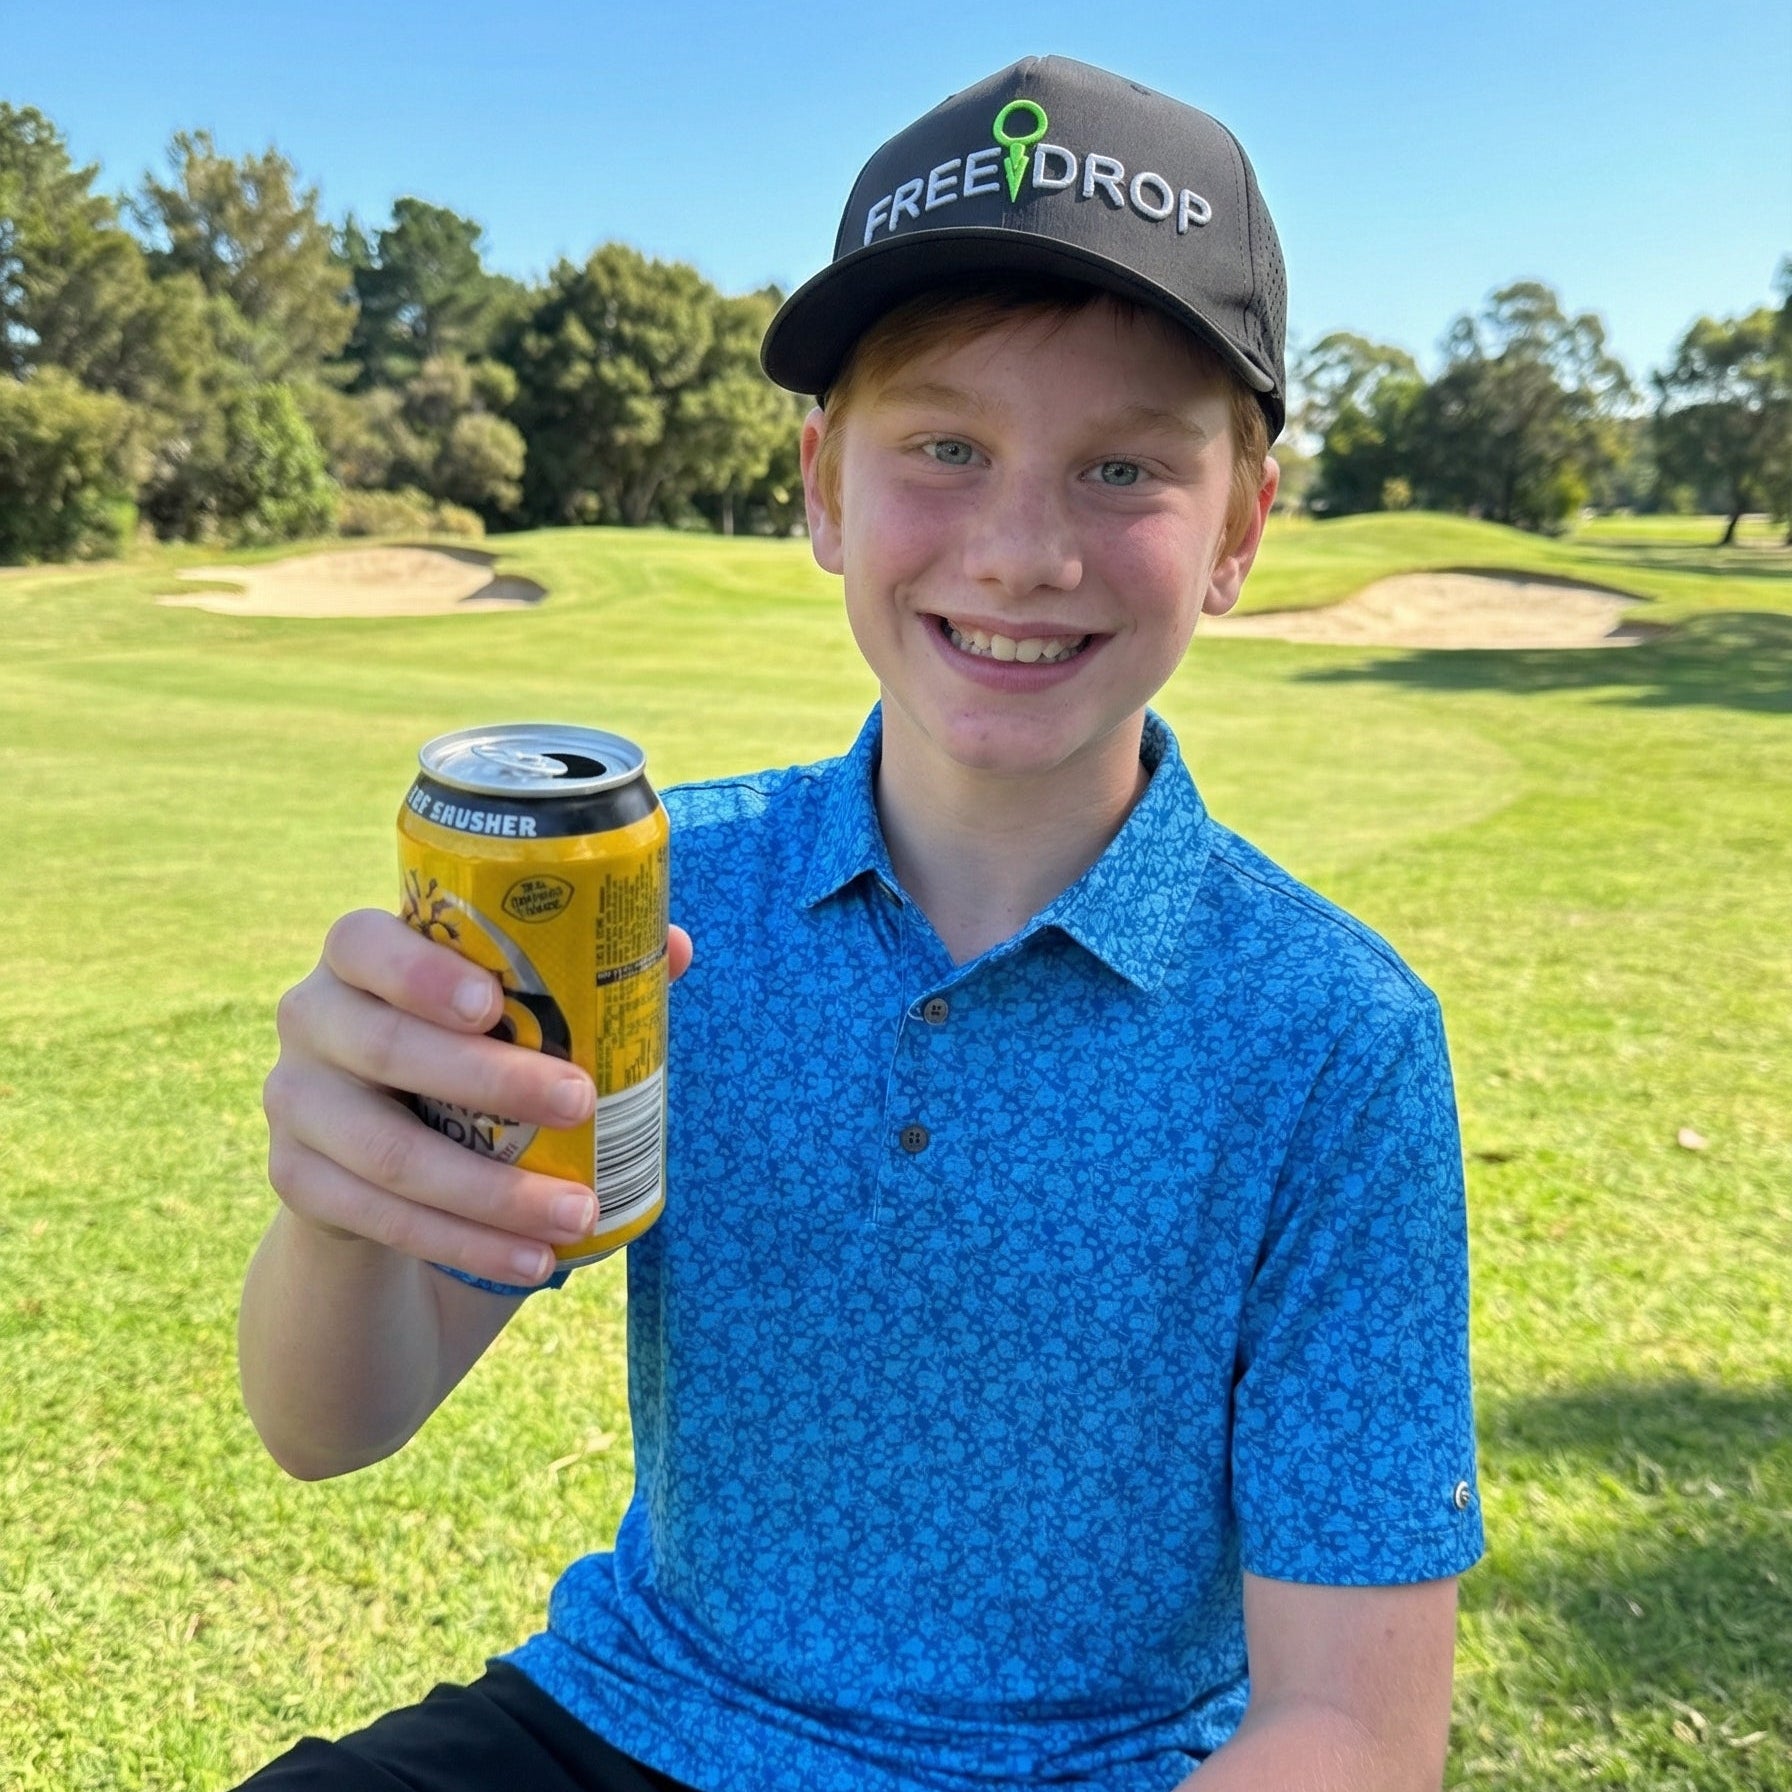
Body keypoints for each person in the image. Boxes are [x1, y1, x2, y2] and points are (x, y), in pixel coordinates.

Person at [236, 53, 1483, 1792]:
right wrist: (345, 1205)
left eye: (1125, 469)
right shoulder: (658, 906)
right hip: (644, 1712)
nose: (1023, 549)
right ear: (824, 484)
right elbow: (331, 1423)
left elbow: (1351, 1728)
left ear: (1240, 527)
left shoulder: (1334, 1038)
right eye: (947, 448)